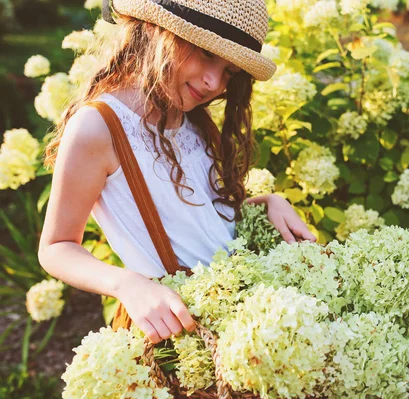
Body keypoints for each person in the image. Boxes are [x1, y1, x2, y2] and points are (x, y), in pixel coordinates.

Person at [37, 0, 316, 346]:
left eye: (229, 71)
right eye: (205, 53)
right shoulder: (99, 128)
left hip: (234, 328)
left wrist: (267, 204)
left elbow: (202, 226)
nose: (214, 81)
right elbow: (56, 247)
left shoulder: (193, 122)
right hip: (173, 338)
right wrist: (126, 284)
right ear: (158, 32)